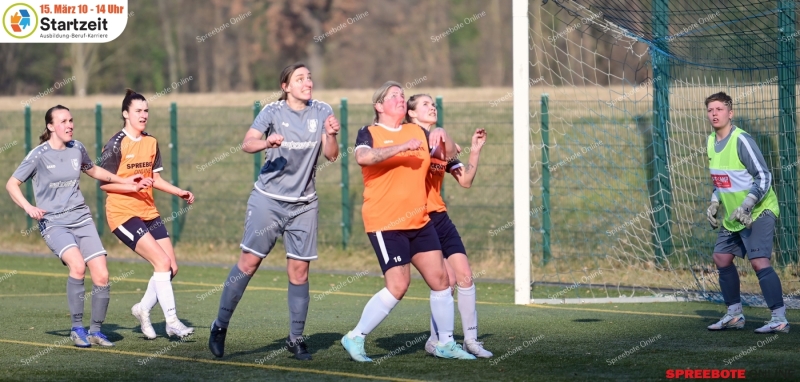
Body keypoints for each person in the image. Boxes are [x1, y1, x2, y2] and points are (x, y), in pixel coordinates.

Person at [208, 62, 340, 361]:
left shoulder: (322, 111)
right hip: (268, 201)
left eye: (309, 77)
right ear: (286, 86)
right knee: (249, 264)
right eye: (300, 78)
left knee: (299, 270)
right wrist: (267, 141)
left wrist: (330, 135)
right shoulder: (272, 112)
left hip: (304, 204)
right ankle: (220, 326)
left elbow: (331, 155)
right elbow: (247, 143)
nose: (308, 82)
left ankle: (295, 339)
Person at [340, 81, 475, 362]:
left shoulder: (417, 131)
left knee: (441, 280)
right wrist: (401, 147)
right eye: (394, 96)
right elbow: (364, 158)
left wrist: (442, 134)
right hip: (385, 222)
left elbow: (450, 155)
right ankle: (355, 337)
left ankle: (445, 344)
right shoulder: (370, 131)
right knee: (399, 285)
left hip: (420, 220)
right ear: (379, 105)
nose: (401, 99)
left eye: (403, 95)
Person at [6, 105, 149, 347]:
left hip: (81, 218)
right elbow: (12, 184)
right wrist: (28, 207)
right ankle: (76, 328)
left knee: (102, 275)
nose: (69, 125)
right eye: (63, 121)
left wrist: (127, 182)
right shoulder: (39, 154)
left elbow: (93, 170)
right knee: (77, 266)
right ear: (51, 126)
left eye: (71, 120)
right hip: (54, 223)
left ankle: (95, 331)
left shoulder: (77, 148)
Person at [100, 89, 195, 339]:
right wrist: (131, 185)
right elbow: (104, 183)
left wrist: (179, 192)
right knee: (161, 263)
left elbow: (155, 179)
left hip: (148, 211)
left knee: (171, 267)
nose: (143, 115)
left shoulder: (151, 141)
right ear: (125, 114)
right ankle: (172, 322)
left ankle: (143, 308)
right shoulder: (115, 144)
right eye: (138, 111)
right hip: (122, 214)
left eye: (146, 111)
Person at [405, 94, 492, 357]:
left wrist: (474, 150)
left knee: (465, 276)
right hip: (419, 220)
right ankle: (437, 340)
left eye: (433, 103)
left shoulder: (440, 143)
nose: (432, 107)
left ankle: (471, 340)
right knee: (447, 281)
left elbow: (465, 180)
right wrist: (439, 131)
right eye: (424, 104)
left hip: (440, 218)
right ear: (411, 113)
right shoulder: (408, 136)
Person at [703, 92, 788, 333]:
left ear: (730, 113)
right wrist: (714, 203)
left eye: (720, 109)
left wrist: (748, 205)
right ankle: (734, 315)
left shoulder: (742, 140)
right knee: (721, 257)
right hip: (733, 215)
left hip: (759, 210)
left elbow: (764, 176)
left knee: (759, 261)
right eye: (710, 110)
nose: (715, 114)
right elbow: (721, 180)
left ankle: (779, 318)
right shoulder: (710, 141)